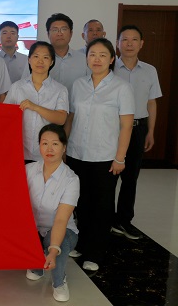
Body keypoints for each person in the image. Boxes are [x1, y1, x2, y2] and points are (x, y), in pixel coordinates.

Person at [64, 38, 134, 272]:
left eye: (103, 55)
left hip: (105, 156)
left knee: (101, 206)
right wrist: (64, 148)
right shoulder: (78, 85)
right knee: (81, 203)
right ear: (86, 58)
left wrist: (120, 158)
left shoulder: (122, 88)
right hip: (77, 153)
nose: (97, 59)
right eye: (92, 54)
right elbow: (71, 118)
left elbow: (126, 125)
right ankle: (82, 244)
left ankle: (96, 253)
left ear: (112, 59)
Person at [112, 25, 162, 240]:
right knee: (109, 177)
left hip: (138, 127)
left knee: (130, 178)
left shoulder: (150, 71)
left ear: (141, 44)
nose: (129, 44)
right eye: (124, 39)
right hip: (112, 128)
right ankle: (106, 220)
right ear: (117, 44)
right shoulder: (109, 68)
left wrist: (150, 131)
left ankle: (124, 220)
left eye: (134, 40)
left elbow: (151, 103)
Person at [25, 124, 79, 302]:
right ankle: (37, 264)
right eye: (44, 143)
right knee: (33, 270)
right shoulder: (28, 170)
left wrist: (53, 251)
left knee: (57, 243)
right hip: (33, 229)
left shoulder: (71, 179)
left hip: (61, 230)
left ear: (64, 147)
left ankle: (59, 281)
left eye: (55, 144)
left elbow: (61, 220)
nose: (49, 149)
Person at [4, 42, 68, 163]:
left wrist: (35, 107)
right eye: (36, 56)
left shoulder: (60, 89)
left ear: (52, 62)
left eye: (45, 57)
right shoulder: (17, 87)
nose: (40, 61)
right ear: (29, 59)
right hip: (19, 151)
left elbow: (61, 119)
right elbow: (3, 116)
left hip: (46, 154)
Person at [22, 13, 89, 99]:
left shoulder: (84, 59)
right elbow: (23, 85)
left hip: (75, 107)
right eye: (55, 30)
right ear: (48, 34)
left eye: (64, 29)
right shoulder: (36, 60)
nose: (59, 33)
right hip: (42, 106)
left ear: (71, 33)